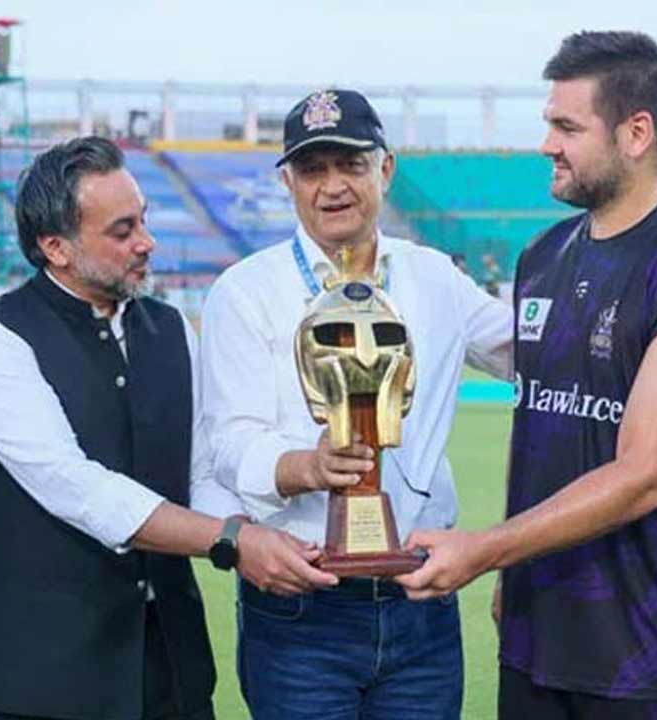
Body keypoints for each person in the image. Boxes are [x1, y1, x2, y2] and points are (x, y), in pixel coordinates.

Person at [395, 32, 657, 720]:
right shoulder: (544, 257)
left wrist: (485, 550)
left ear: (636, 133)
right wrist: (512, 569)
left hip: (655, 659)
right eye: (549, 125)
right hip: (537, 638)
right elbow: (544, 429)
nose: (547, 145)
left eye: (567, 127)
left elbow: (644, 476)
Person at [0, 136, 336, 720]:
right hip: (51, 678)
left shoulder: (172, 328)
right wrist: (231, 541)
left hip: (173, 668)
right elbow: (75, 487)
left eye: (144, 221)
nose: (146, 242)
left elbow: (200, 473)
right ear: (55, 247)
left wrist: (275, 528)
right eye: (122, 231)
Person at [197, 89, 512, 719]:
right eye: (313, 169)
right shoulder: (245, 292)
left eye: (352, 164)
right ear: (288, 181)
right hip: (302, 602)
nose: (333, 185)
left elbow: (527, 352)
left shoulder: (434, 276)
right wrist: (307, 467)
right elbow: (229, 442)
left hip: (421, 596)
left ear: (385, 169)